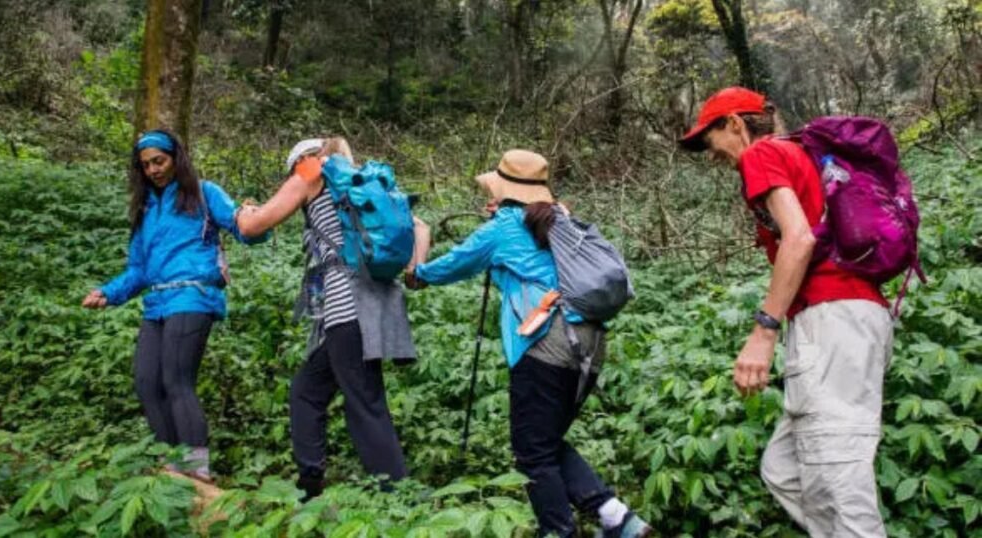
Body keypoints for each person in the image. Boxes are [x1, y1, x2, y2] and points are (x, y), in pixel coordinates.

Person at [678, 87, 894, 537]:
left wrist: (764, 331)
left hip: (831, 319)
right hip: (852, 318)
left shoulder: (764, 155)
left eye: (710, 140)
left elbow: (798, 239)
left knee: (836, 476)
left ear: (735, 123)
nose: (711, 155)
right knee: (785, 468)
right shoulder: (803, 155)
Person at [406, 150, 653, 538]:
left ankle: (558, 531)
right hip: (590, 341)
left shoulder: (503, 228)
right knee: (545, 441)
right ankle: (615, 516)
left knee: (533, 452)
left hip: (546, 342)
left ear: (502, 189)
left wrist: (417, 275)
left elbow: (455, 263)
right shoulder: (561, 218)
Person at [235, 137, 427, 498]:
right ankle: (310, 486)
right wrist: (414, 270)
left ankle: (400, 499)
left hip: (345, 305)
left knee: (365, 404)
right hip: (376, 304)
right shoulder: (364, 185)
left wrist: (241, 213)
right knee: (306, 392)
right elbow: (420, 227)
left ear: (304, 160)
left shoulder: (310, 174)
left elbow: (254, 226)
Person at [82, 129, 268, 483]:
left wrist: (258, 219)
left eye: (159, 161)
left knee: (177, 380)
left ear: (176, 158)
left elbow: (244, 228)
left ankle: (195, 469)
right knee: (146, 382)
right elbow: (139, 268)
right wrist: (109, 292)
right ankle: (171, 464)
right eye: (146, 165)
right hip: (157, 302)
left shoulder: (203, 192)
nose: (153, 169)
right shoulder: (146, 210)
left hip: (193, 294)